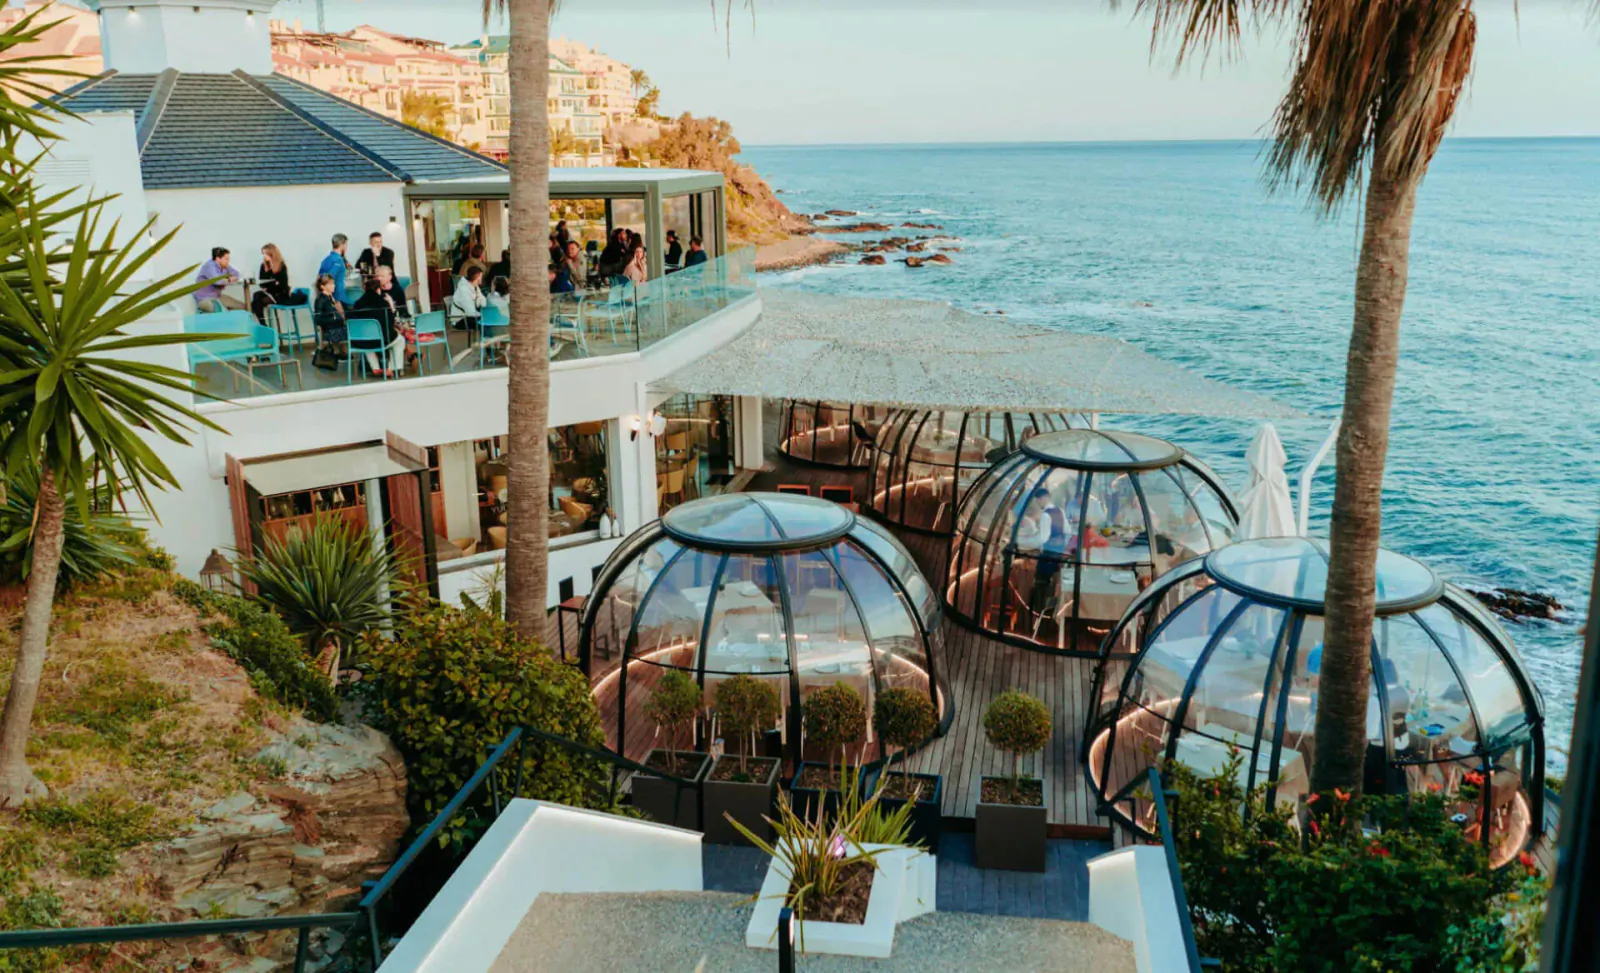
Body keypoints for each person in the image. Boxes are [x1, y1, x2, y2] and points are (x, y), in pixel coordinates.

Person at [351, 277, 408, 376]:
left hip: (360, 341)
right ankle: (393, 368)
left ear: (365, 289)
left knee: (367, 339)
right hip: (381, 340)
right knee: (400, 340)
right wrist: (392, 307)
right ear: (378, 289)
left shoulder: (357, 304)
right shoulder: (382, 303)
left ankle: (376, 368)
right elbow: (390, 322)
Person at [311, 273, 347, 361]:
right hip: (330, 329)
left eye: (333, 283)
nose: (333, 286)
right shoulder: (320, 300)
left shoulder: (331, 298)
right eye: (330, 284)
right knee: (351, 331)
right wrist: (336, 319)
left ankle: (343, 353)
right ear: (322, 286)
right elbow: (318, 319)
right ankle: (342, 354)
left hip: (337, 326)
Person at [252, 243, 290, 322]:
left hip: (280, 294)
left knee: (257, 303)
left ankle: (263, 324)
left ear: (272, 254)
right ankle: (263, 323)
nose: (264, 256)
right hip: (269, 291)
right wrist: (271, 284)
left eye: (266, 254)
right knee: (256, 295)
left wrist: (272, 283)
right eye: (263, 254)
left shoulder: (281, 266)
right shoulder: (263, 266)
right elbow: (262, 281)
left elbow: (283, 285)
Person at [318, 234, 351, 306]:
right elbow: (330, 277)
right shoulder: (338, 261)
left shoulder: (326, 260)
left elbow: (319, 277)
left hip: (327, 296)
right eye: (346, 244)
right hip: (338, 296)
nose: (346, 247)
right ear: (342, 245)